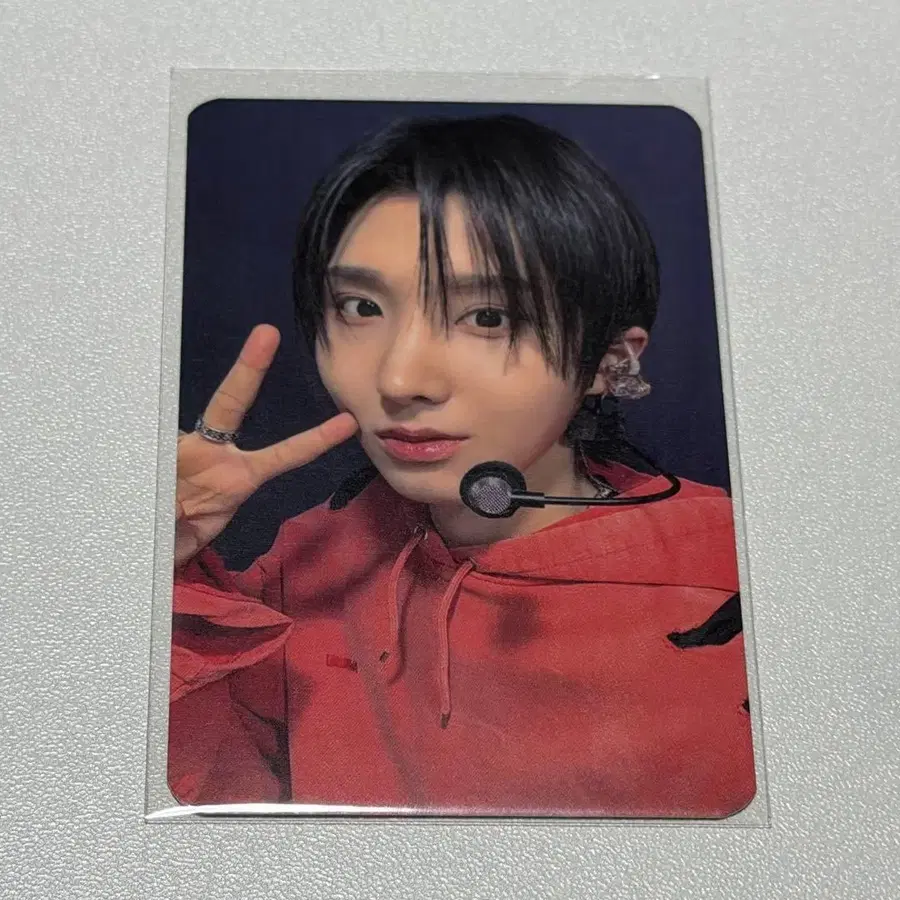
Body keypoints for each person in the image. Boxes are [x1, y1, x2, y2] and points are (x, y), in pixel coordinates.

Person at [168, 114, 755, 817]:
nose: (401, 378)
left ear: (611, 362)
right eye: (361, 306)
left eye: (488, 318)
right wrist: (155, 571)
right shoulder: (315, 557)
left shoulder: (743, 581)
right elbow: (220, 817)